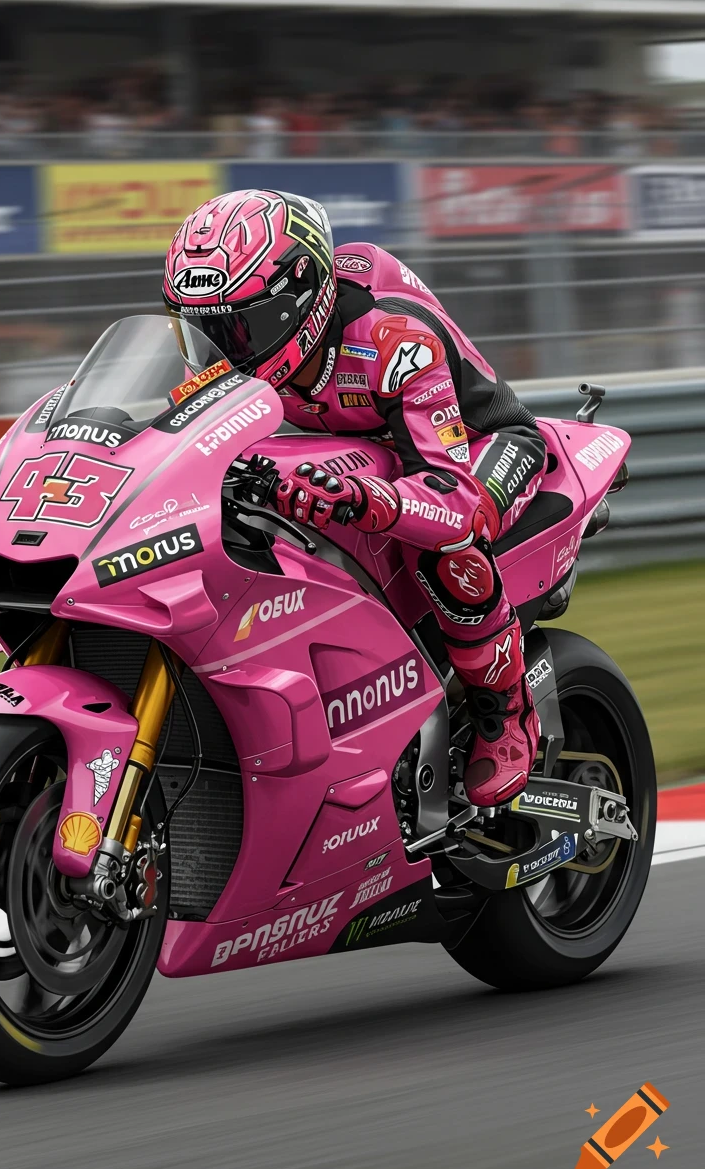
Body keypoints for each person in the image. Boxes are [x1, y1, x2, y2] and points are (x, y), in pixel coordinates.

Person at [162, 189, 543, 807]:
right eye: (204, 330)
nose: (224, 351)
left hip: (478, 447)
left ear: (301, 303)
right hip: (376, 452)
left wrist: (364, 499)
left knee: (446, 548)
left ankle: (505, 714)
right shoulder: (233, 358)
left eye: (242, 326)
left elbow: (450, 495)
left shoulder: (393, 342)